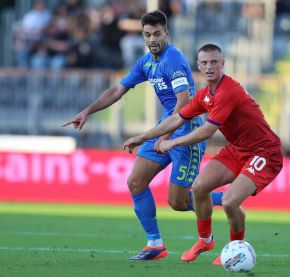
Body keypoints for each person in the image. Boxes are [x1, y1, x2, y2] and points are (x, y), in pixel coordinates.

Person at [63, 11, 223, 261]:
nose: (152, 40)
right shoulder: (146, 63)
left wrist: (165, 137)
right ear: (143, 36)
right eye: (147, 35)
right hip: (164, 129)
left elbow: (184, 104)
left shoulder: (174, 60)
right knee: (135, 182)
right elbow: (118, 89)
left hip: (187, 134)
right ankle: (155, 244)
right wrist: (88, 111)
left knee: (178, 203)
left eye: (157, 34)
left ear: (166, 33)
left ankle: (225, 198)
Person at [123, 43, 283, 265]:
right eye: (205, 63)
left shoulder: (228, 91)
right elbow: (178, 118)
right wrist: (143, 137)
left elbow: (207, 131)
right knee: (198, 188)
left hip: (264, 152)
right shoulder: (205, 95)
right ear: (198, 66)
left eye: (214, 62)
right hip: (237, 148)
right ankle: (205, 240)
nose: (209, 67)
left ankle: (235, 248)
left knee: (229, 201)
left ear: (223, 64)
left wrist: (172, 142)